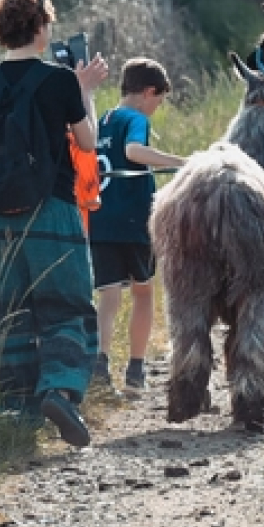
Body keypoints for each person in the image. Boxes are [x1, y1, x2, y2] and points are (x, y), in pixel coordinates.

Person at [0, 0, 108, 447]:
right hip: (51, 211)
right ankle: (59, 391)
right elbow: (87, 142)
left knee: (10, 311)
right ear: (40, 26)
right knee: (65, 307)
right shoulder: (59, 80)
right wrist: (85, 90)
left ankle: (16, 411)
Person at [89, 58, 186, 394]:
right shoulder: (135, 119)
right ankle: (135, 369)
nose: (156, 108)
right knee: (143, 291)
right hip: (134, 221)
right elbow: (134, 151)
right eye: (158, 101)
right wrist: (183, 164)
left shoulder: (102, 119)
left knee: (108, 293)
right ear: (148, 92)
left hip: (99, 220)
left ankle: (100, 362)